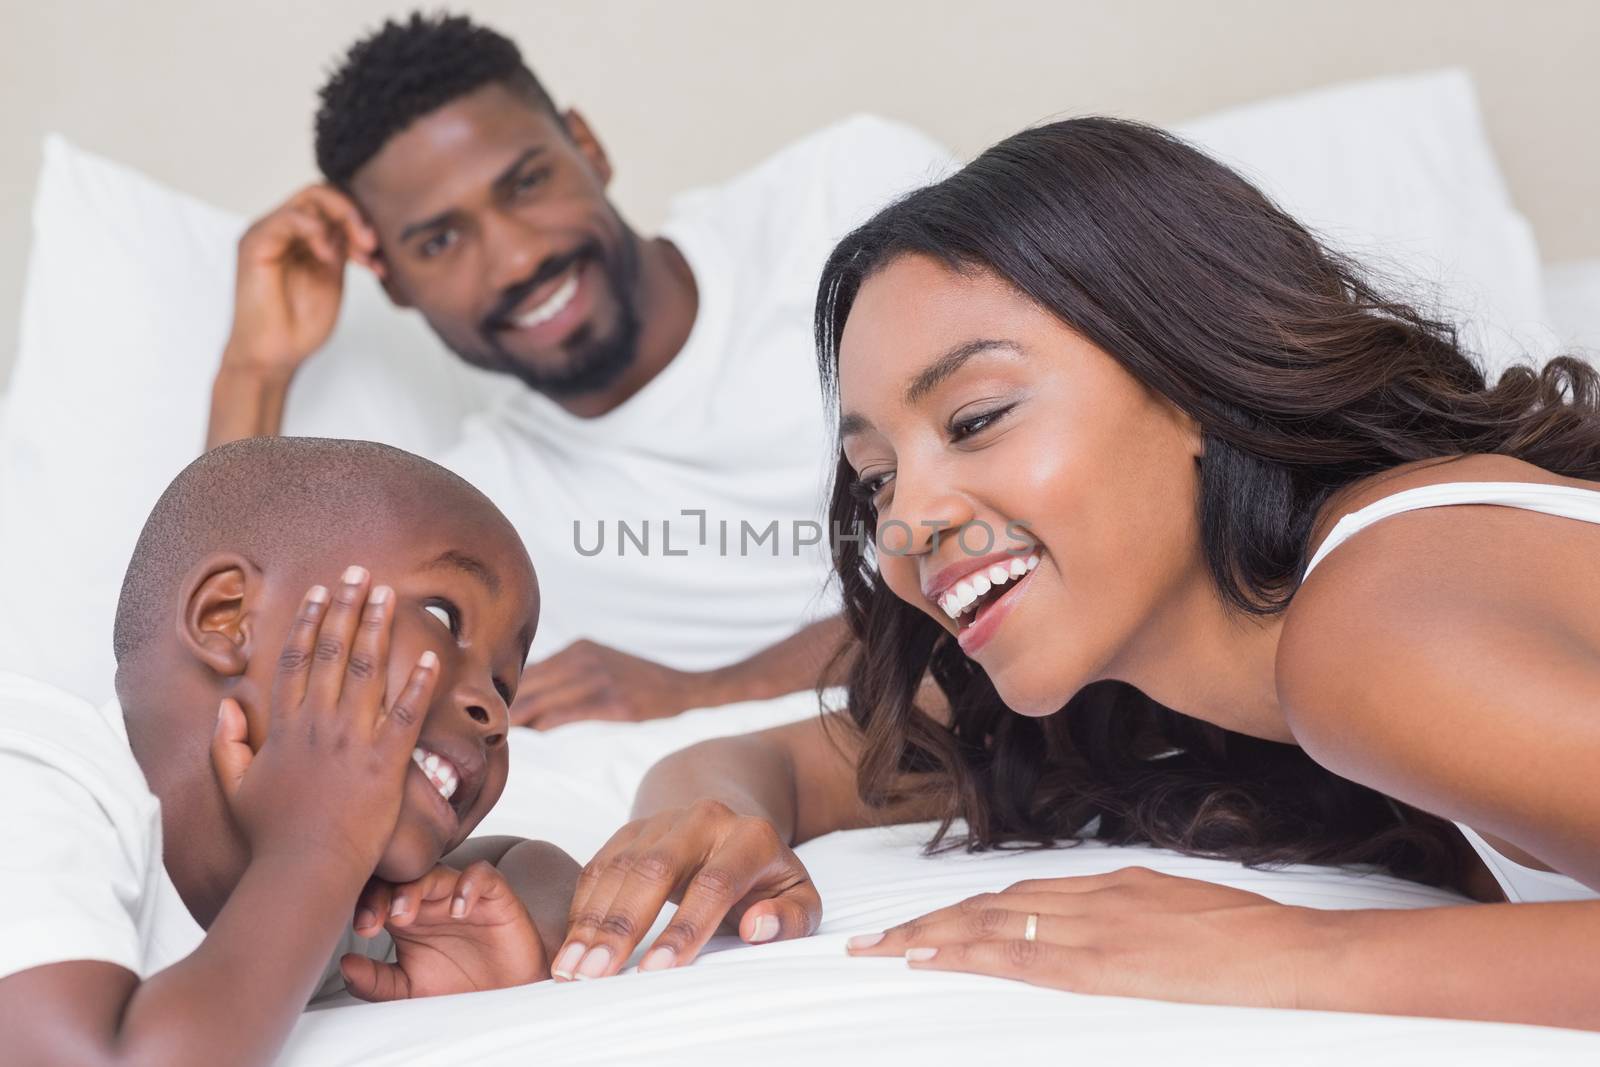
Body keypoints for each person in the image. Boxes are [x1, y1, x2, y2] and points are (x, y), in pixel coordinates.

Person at [543, 118, 1600, 1031]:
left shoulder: (1372, 627)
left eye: (976, 418)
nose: (907, 521)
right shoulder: (1184, 688)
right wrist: (703, 814)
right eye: (875, 480)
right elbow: (786, 758)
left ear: (1185, 373)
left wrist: (1289, 956)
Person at [205, 12, 953, 729]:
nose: (517, 258)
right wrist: (254, 369)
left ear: (586, 147)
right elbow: (228, 672)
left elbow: (1037, 495)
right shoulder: (483, 509)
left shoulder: (847, 197)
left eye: (526, 182)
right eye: (439, 241)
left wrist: (712, 689)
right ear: (394, 282)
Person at [0, 437, 580, 1064]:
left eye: (504, 685)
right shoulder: (33, 776)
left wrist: (513, 938)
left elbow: (524, 863)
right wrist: (314, 850)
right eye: (443, 617)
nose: (494, 714)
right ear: (227, 617)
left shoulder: (328, 901)